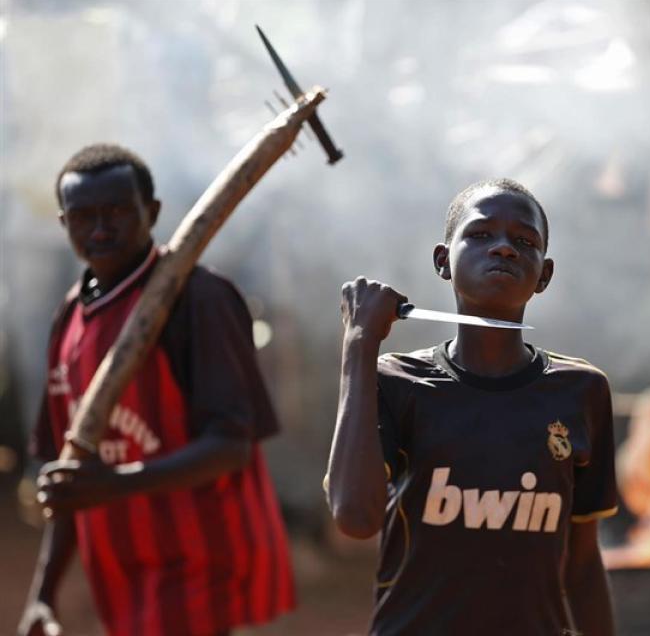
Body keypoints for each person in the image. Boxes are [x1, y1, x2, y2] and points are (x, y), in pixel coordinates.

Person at [18, 144, 295, 636]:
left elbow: (231, 446)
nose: (101, 229)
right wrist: (43, 594)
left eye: (118, 211)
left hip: (203, 571)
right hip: (123, 578)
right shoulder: (70, 318)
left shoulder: (198, 299)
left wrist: (115, 483)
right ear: (64, 223)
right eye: (83, 216)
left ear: (154, 212)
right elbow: (71, 477)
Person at [326, 178, 618, 636]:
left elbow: (581, 564)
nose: (503, 248)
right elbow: (356, 518)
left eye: (524, 241)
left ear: (544, 274)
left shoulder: (581, 391)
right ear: (443, 260)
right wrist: (359, 344)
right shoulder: (396, 382)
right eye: (480, 235)